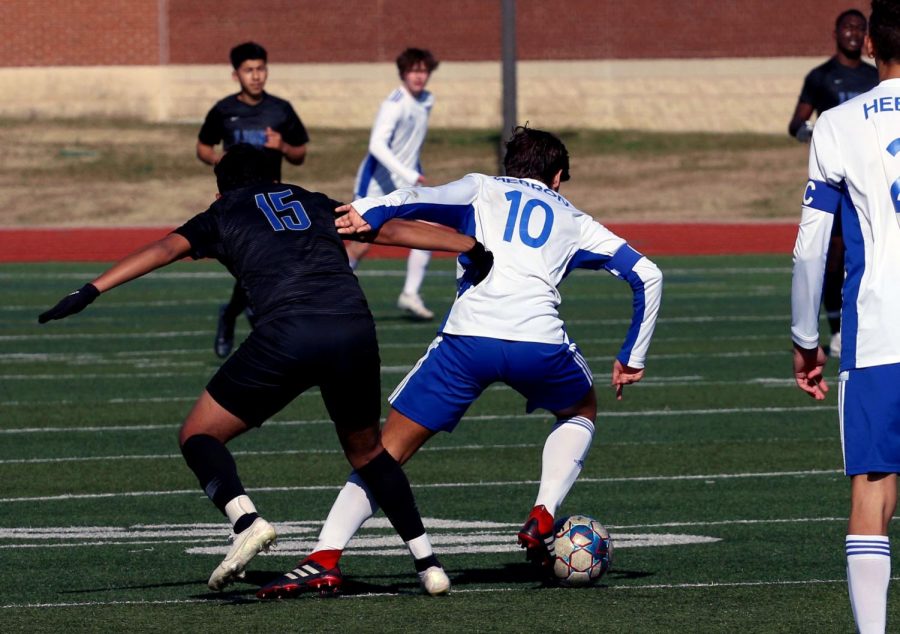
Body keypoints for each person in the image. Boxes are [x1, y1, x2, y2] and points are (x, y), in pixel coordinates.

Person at [36, 144, 492, 597]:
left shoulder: (221, 212)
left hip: (290, 333)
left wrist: (91, 290)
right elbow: (387, 230)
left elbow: (163, 249)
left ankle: (247, 522)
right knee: (370, 454)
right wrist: (469, 245)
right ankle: (429, 566)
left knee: (199, 434)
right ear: (274, 180)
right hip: (352, 328)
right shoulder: (311, 199)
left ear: (221, 190)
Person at [257, 126, 663, 598]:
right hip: (539, 344)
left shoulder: (482, 186)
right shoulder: (574, 219)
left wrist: (363, 210)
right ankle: (544, 511)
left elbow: (414, 196)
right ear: (556, 178)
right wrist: (631, 357)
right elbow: (647, 274)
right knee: (579, 411)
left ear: (511, 167)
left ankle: (324, 557)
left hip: (467, 342)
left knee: (383, 452)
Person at [791, 2, 900, 631]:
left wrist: (807, 339)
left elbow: (811, 245)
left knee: (872, 487)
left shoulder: (836, 123)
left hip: (879, 331)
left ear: (873, 46)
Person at [196, 41, 310, 359]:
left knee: (260, 263)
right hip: (234, 201)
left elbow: (300, 153)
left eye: (260, 69)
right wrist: (217, 159)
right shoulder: (224, 111)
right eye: (249, 70)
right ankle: (236, 311)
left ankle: (238, 313)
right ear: (236, 75)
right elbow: (203, 146)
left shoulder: (281, 109)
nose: (256, 76)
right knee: (244, 263)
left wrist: (284, 146)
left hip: (271, 199)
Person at [788, 9, 879, 359]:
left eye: (860, 28)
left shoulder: (875, 78)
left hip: (870, 180)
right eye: (848, 27)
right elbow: (796, 122)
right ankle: (838, 329)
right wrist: (815, 132)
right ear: (836, 32)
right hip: (836, 182)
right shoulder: (821, 77)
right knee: (833, 256)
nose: (854, 33)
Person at [346, 47, 440, 320]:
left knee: (428, 230)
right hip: (375, 183)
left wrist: (413, 172)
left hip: (407, 181)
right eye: (414, 70)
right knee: (361, 243)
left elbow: (411, 142)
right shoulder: (394, 103)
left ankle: (410, 294)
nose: (419, 76)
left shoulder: (427, 100)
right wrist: (406, 172)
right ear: (403, 73)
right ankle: (323, 292)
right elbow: (377, 145)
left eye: (423, 70)